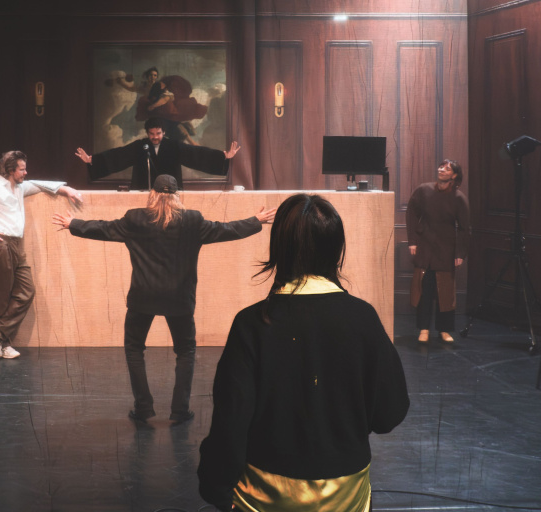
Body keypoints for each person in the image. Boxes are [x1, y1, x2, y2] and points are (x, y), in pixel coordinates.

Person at [197, 194, 409, 512]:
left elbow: (231, 423)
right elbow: (389, 414)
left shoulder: (251, 324)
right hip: (347, 494)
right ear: (336, 249)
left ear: (279, 247)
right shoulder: (363, 318)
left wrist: (215, 487)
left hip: (264, 494)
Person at [52, 174, 276, 424]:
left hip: (143, 296)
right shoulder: (192, 220)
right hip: (179, 298)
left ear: (153, 194)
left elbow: (104, 228)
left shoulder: (135, 219)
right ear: (177, 196)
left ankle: (143, 407)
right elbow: (226, 230)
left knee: (134, 349)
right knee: (185, 351)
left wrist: (73, 223)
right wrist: (255, 221)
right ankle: (180, 410)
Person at [0, 150, 83, 359]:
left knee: (27, 291)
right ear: (10, 170)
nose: (26, 173)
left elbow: (40, 185)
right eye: (22, 169)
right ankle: (2, 344)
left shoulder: (19, 187)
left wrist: (67, 190)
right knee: (0, 297)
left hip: (16, 245)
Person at [74, 117, 240, 191]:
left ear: (164, 132)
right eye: (152, 134)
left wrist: (223, 157)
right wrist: (92, 160)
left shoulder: (174, 146)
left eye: (158, 133)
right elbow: (118, 156)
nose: (155, 137)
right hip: (143, 191)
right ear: (147, 133)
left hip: (169, 192)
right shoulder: (140, 146)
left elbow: (196, 155)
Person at [406, 159, 470, 343]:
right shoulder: (423, 190)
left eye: (447, 168)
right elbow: (411, 213)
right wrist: (413, 241)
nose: (441, 169)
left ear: (454, 175)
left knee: (445, 291)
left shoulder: (458, 198)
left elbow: (464, 228)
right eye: (441, 167)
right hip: (425, 246)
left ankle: (444, 330)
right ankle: (424, 329)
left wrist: (460, 253)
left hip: (446, 248)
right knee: (424, 289)